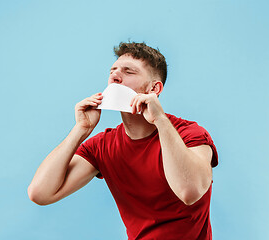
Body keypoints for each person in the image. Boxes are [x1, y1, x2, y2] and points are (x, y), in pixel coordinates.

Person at [28, 42, 219, 240]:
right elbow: (40, 193)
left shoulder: (190, 134)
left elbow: (189, 192)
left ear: (154, 88)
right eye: (113, 71)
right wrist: (81, 130)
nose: (115, 77)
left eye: (129, 72)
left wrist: (160, 120)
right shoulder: (102, 146)